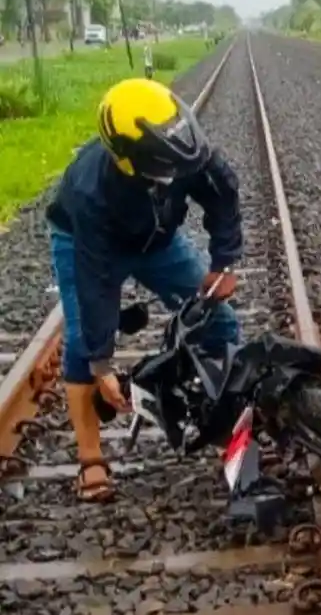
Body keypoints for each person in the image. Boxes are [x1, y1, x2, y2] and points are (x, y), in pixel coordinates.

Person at [45, 77, 244, 501]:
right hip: (88, 241)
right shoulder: (89, 191)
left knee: (220, 323)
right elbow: (94, 281)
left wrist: (224, 262)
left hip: (159, 239)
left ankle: (228, 424)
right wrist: (102, 366)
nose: (176, 173)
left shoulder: (188, 148)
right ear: (129, 159)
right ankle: (90, 459)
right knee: (83, 343)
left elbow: (223, 195)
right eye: (164, 166)